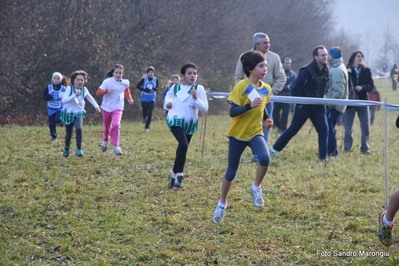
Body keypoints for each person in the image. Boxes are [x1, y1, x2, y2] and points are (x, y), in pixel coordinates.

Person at [212, 51, 273, 224]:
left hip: (255, 132)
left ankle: (255, 187)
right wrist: (248, 105)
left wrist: (267, 119)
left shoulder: (266, 88)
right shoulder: (241, 86)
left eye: (265, 66)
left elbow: (262, 108)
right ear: (250, 69)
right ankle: (222, 204)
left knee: (265, 158)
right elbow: (233, 112)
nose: (264, 69)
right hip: (238, 135)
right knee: (231, 172)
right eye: (261, 66)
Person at [269, 45, 330, 161]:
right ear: (315, 57)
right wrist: (301, 102)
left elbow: (326, 86)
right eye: (323, 55)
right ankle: (273, 150)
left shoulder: (327, 69)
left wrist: (324, 96)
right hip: (304, 106)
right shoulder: (306, 70)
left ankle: (323, 158)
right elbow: (295, 87)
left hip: (319, 107)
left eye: (326, 54)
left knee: (324, 130)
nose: (325, 57)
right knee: (293, 130)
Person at [234, 32, 285, 162]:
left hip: (266, 99)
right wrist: (242, 93)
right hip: (247, 98)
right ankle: (236, 154)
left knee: (265, 127)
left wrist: (270, 92)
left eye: (268, 42)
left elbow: (281, 77)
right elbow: (238, 77)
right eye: (265, 43)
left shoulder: (274, 57)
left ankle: (259, 157)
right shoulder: (244, 57)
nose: (268, 45)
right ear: (256, 45)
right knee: (246, 125)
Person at [164, 63, 208, 188]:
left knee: (182, 148)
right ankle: (180, 175)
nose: (193, 76)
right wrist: (168, 104)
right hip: (175, 119)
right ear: (183, 76)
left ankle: (173, 174)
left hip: (190, 123)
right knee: (183, 144)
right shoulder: (175, 88)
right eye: (189, 73)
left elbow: (204, 109)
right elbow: (168, 99)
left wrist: (196, 98)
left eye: (195, 73)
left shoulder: (199, 89)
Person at [60, 70, 101, 157]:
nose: (80, 82)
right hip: (68, 113)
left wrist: (96, 106)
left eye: (82, 80)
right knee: (69, 134)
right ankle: (66, 148)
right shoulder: (69, 88)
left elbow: (90, 98)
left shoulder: (84, 90)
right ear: (73, 80)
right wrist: (74, 95)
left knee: (79, 128)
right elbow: (64, 100)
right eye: (78, 80)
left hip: (78, 113)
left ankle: (79, 149)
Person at [96, 64, 134, 155]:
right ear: (113, 73)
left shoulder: (125, 82)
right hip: (106, 107)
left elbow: (126, 90)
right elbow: (98, 93)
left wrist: (129, 99)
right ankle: (105, 140)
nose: (118, 75)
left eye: (120, 73)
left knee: (116, 125)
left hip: (118, 106)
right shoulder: (107, 82)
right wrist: (107, 91)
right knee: (107, 127)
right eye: (116, 73)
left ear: (122, 74)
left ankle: (116, 146)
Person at [343, 51, 374, 155]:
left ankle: (365, 149)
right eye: (358, 56)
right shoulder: (346, 70)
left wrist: (362, 87)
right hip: (350, 102)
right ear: (353, 58)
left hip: (363, 101)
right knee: (348, 128)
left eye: (362, 57)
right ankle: (348, 149)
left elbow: (371, 86)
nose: (360, 58)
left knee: (366, 127)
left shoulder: (367, 71)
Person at [326, 47, 348, 158]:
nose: (327, 56)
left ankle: (333, 153)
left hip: (334, 106)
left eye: (328, 54)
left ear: (333, 56)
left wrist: (330, 104)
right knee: (329, 128)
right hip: (334, 104)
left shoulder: (337, 70)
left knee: (329, 129)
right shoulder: (336, 67)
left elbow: (339, 91)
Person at [43, 72, 68, 143]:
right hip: (51, 108)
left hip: (59, 108)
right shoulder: (49, 87)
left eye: (58, 78)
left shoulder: (63, 88)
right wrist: (48, 97)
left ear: (60, 80)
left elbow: (67, 97)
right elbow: (44, 97)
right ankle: (54, 137)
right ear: (52, 79)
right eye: (54, 78)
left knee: (57, 119)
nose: (56, 80)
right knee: (51, 124)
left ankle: (60, 121)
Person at [273, 57, 296, 133]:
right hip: (278, 96)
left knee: (285, 115)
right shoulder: (278, 72)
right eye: (286, 63)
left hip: (287, 97)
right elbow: (274, 83)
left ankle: (283, 129)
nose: (288, 65)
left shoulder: (292, 74)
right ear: (283, 64)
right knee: (275, 114)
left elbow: (291, 86)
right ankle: (277, 125)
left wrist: (280, 87)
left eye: (289, 63)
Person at [136, 66, 159, 132]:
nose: (151, 74)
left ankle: (146, 128)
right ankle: (143, 117)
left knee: (150, 112)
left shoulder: (156, 79)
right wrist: (144, 89)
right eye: (149, 72)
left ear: (154, 73)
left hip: (152, 98)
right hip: (144, 97)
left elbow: (157, 87)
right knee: (144, 111)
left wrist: (155, 89)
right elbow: (138, 86)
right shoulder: (144, 79)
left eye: (152, 72)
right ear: (147, 73)